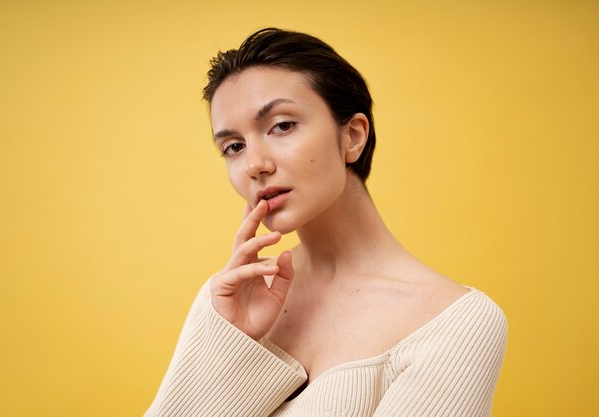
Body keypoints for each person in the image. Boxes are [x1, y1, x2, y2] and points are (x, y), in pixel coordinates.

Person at [144, 28, 507, 417]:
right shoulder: (228, 300)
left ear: (352, 136)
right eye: (234, 147)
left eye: (282, 125)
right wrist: (229, 344)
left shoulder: (455, 324)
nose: (255, 165)